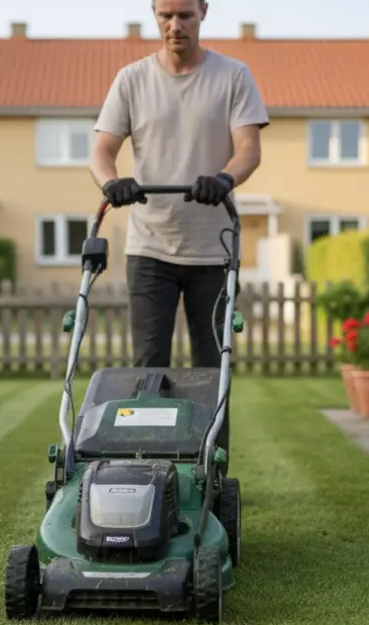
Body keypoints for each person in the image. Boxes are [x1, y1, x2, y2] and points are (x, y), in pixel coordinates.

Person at [90, 0, 269, 370]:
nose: (175, 25)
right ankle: (150, 430)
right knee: (148, 368)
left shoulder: (233, 76)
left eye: (184, 15)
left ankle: (213, 432)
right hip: (149, 248)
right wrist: (112, 183)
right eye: (165, 16)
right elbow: (101, 152)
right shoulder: (131, 79)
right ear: (154, 14)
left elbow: (249, 151)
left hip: (213, 249)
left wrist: (224, 178)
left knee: (212, 372)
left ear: (203, 11)